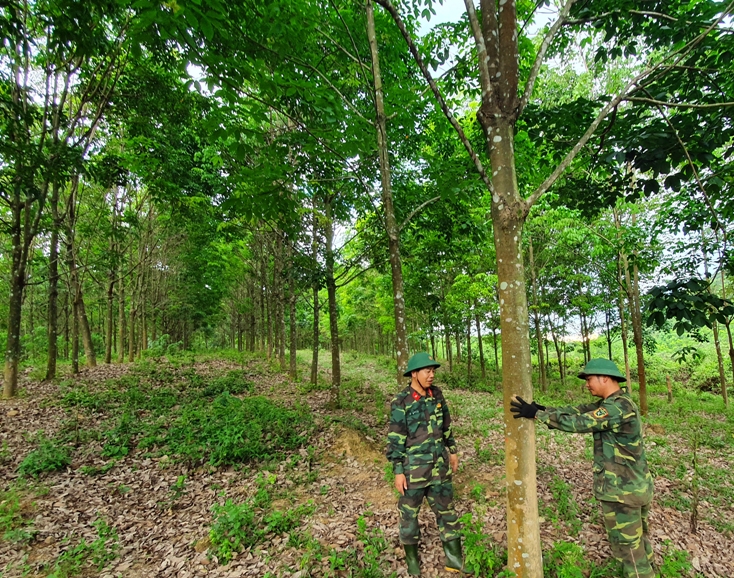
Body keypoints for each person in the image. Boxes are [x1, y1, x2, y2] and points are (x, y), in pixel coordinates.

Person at [510, 358, 654, 578]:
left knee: (631, 554)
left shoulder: (616, 408)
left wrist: (537, 415)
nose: (587, 384)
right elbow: (578, 411)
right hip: (632, 487)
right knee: (639, 544)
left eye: (589, 379)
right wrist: (544, 409)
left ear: (604, 377)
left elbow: (580, 423)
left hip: (623, 492)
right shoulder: (615, 402)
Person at [386, 352, 466, 576]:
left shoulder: (437, 395)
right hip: (414, 471)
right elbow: (395, 439)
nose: (432, 375)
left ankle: (454, 560)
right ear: (414, 373)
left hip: (439, 467)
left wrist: (453, 450)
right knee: (409, 515)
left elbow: (446, 424)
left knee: (447, 511)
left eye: (433, 371)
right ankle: (412, 562)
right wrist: (398, 471)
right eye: (427, 371)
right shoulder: (401, 401)